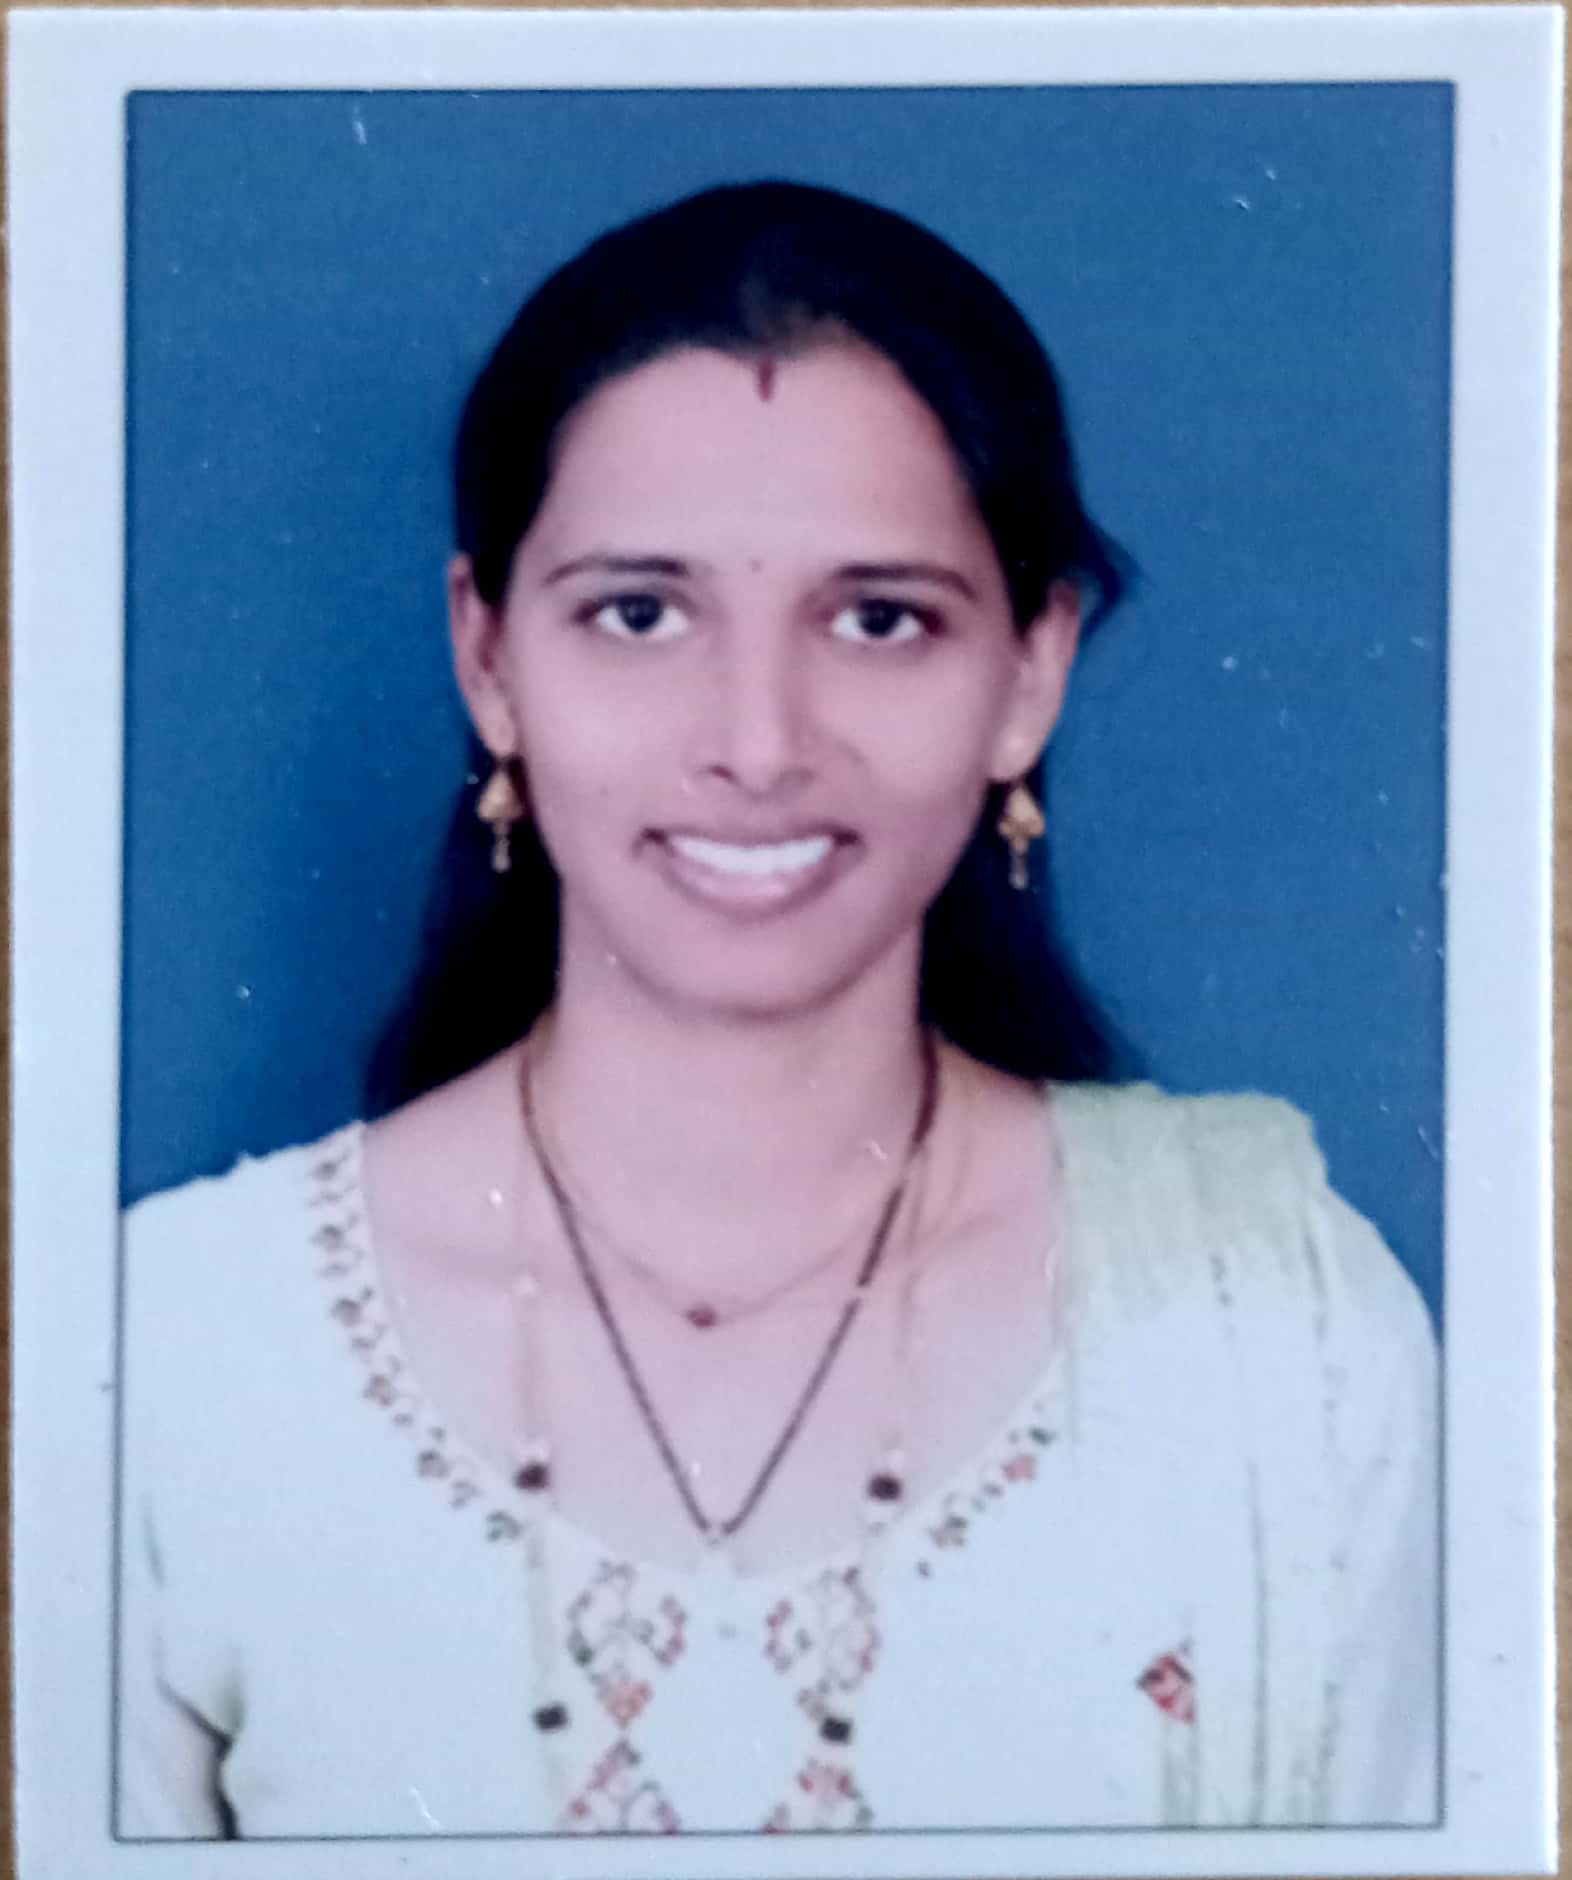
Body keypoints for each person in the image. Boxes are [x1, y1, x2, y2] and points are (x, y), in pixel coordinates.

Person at [118, 180, 1438, 1841]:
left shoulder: (1282, 1338)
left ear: (1031, 671)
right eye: (639, 613)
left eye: (880, 619)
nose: (757, 742)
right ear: (490, 659)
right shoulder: (175, 1359)